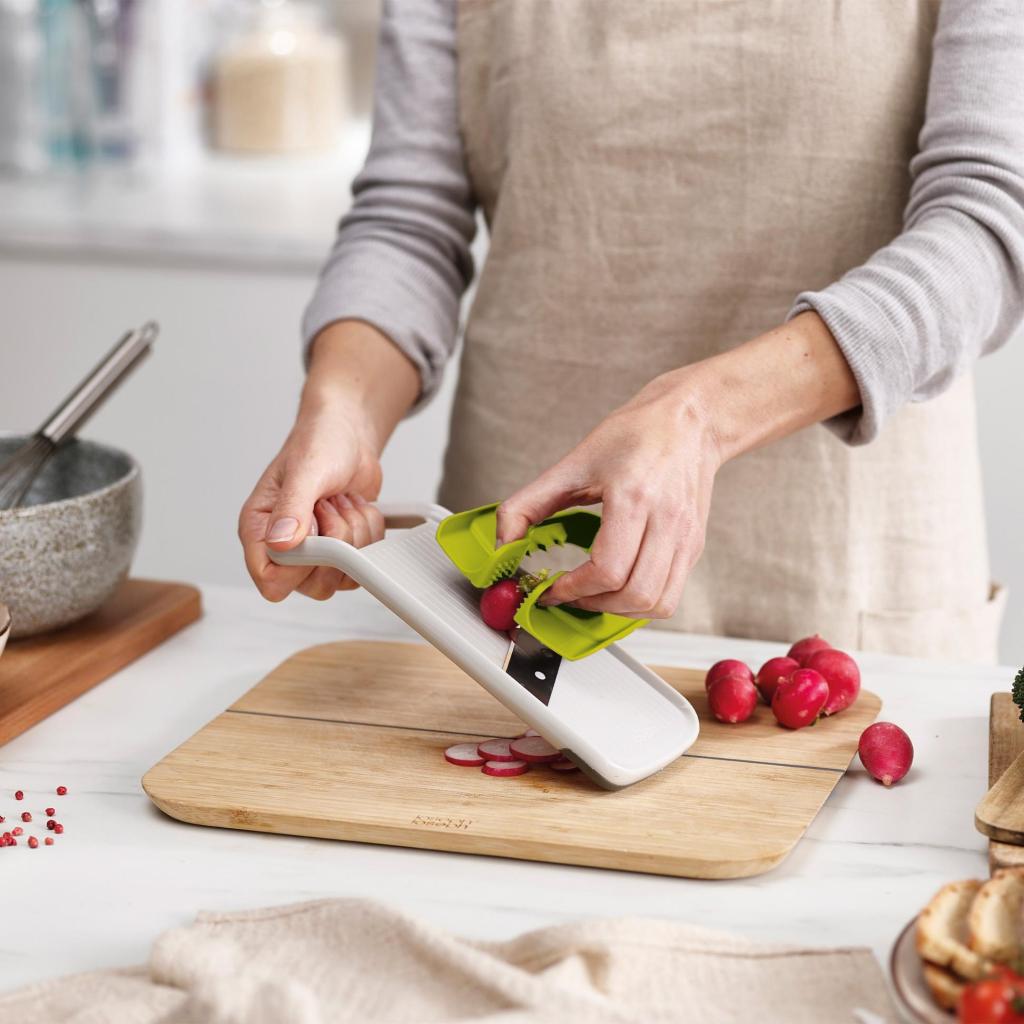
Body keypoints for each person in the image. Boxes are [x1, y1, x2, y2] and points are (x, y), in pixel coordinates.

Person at [240, 0, 1023, 662]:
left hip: (848, 572)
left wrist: (701, 417)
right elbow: (408, 218)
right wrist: (342, 409)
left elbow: (989, 222)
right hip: (520, 582)